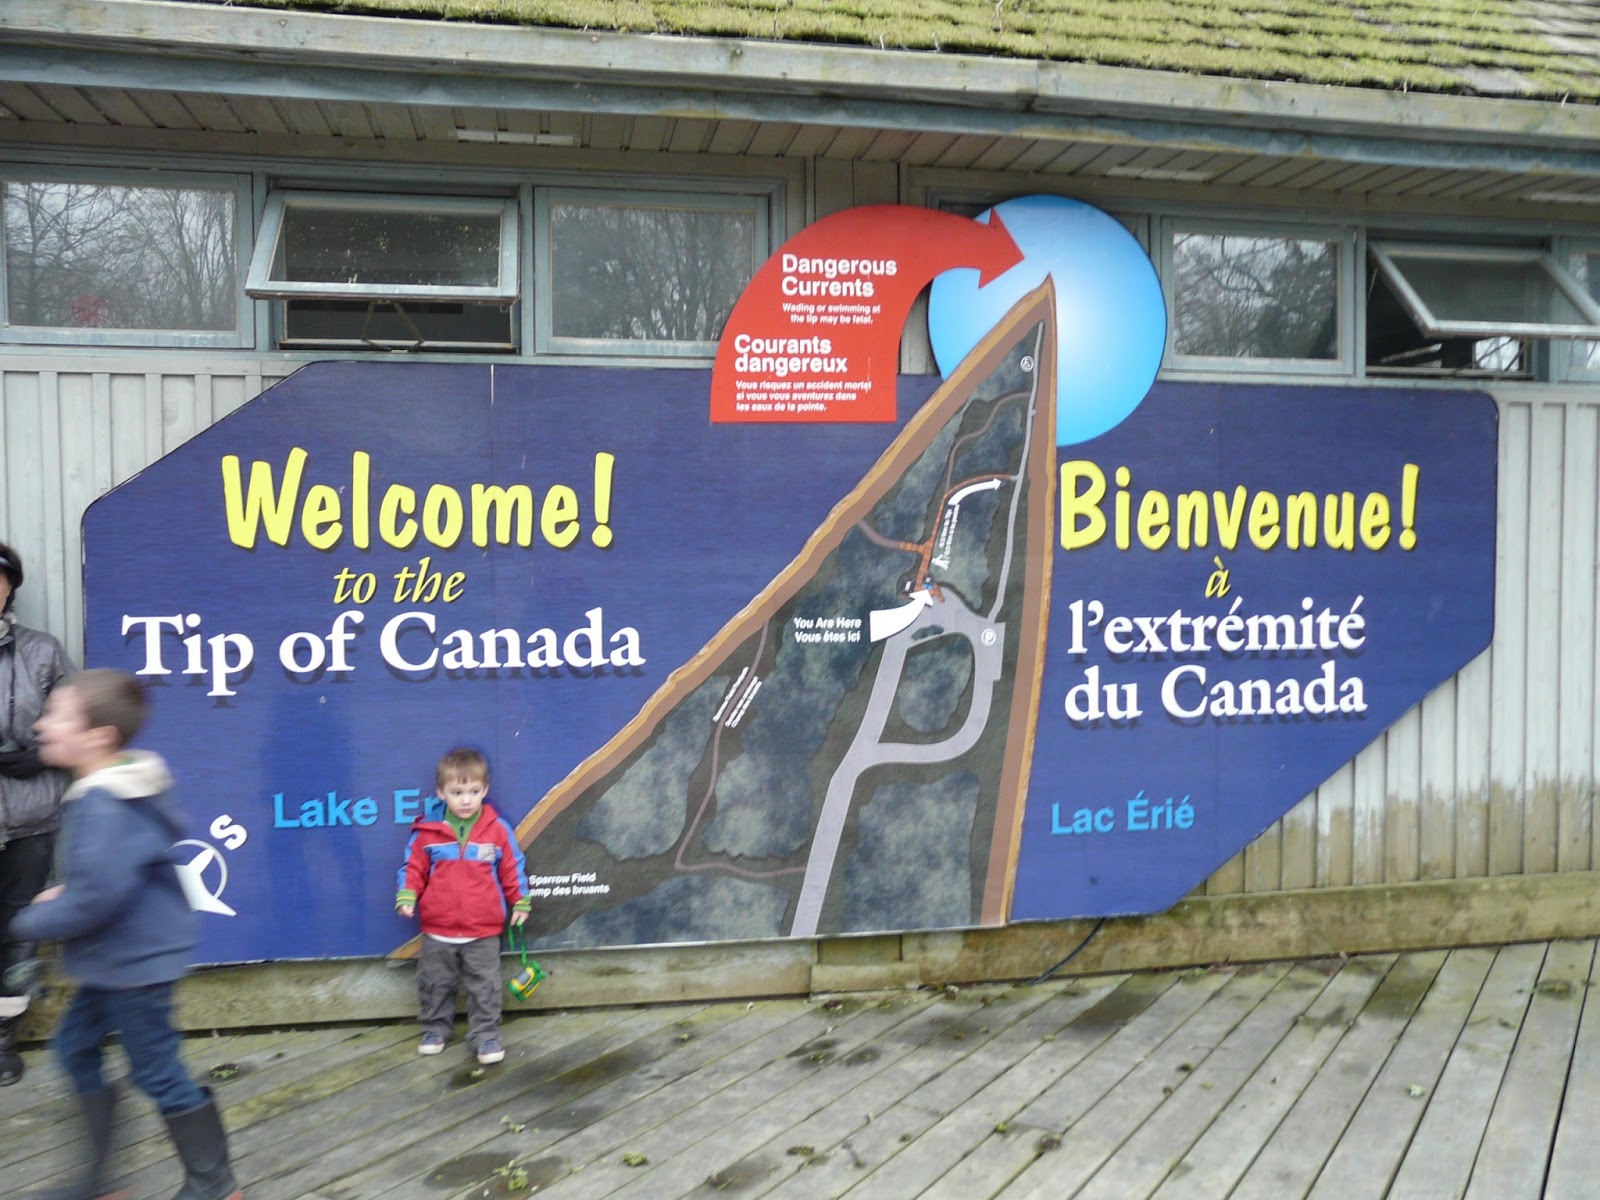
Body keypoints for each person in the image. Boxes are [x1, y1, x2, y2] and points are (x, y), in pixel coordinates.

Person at [12, 669, 241, 1200]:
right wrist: (67, 893)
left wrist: (26, 920)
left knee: (157, 1071)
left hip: (134, 965)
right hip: (117, 960)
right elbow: (109, 878)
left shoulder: (106, 804)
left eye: (56, 716)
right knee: (74, 1049)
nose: (42, 725)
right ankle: (98, 1183)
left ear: (99, 737)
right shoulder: (115, 785)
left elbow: (96, 900)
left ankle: (215, 1184)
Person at [396, 747, 529, 1065]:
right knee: (434, 982)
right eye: (457, 792)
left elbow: (512, 866)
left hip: (482, 930)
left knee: (484, 986)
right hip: (437, 929)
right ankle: (435, 1029)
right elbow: (413, 869)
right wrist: (407, 895)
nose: (466, 800)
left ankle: (486, 1036)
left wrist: (519, 900)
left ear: (485, 790)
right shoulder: (427, 833)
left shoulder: (497, 830)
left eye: (473, 791)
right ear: (442, 793)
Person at [0, 539, 74, 1086]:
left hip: (30, 818)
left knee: (18, 929)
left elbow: (82, 726)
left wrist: (42, 755)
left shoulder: (42, 652)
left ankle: (3, 1037)